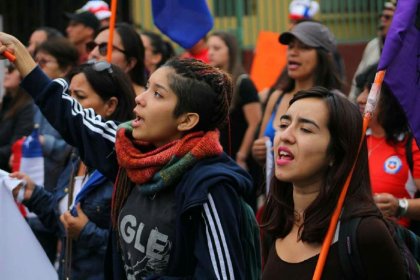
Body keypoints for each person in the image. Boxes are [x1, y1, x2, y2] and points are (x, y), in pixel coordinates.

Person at [0, 32, 259, 279]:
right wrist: (22, 58)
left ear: (187, 120)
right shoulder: (131, 152)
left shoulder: (211, 188)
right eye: (147, 87)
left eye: (158, 94)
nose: (139, 99)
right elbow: (74, 119)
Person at [261, 86, 405, 279]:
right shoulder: (274, 220)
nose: (285, 135)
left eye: (305, 129)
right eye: (284, 124)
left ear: (336, 154)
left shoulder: (366, 233)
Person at [12, 61, 136, 280]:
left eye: (80, 97)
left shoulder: (124, 164)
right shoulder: (77, 153)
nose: (71, 105)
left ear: (110, 105)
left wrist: (86, 232)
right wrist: (34, 195)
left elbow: (135, 252)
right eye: (69, 96)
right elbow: (64, 221)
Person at [252, 21, 342, 168]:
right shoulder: (277, 97)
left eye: (304, 47)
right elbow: (262, 145)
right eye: (291, 47)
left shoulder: (334, 102)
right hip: (275, 189)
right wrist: (259, 151)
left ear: (323, 55)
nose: (293, 52)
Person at [23, 37, 78, 264]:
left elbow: (74, 141)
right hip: (38, 191)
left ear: (64, 68)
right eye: (36, 61)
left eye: (44, 62)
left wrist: (43, 142)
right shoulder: (37, 99)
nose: (38, 67)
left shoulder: (68, 99)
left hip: (56, 189)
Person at [355, 64, 420, 228]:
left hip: (392, 245)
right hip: (349, 242)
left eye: (369, 91)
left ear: (392, 99)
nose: (360, 99)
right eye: (361, 91)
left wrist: (400, 206)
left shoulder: (411, 145)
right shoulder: (355, 138)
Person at [207, 31, 262, 209]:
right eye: (209, 48)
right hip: (220, 159)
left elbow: (255, 122)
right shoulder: (214, 83)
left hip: (240, 161)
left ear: (230, 51)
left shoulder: (243, 83)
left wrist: (242, 156)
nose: (210, 52)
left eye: (216, 48)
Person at [348, 1, 396, 101]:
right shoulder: (373, 46)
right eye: (381, 16)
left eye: (387, 17)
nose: (382, 20)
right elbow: (357, 82)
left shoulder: (409, 48)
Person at [87, 22, 146, 95]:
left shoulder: (146, 102)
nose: (93, 53)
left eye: (105, 48)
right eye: (92, 46)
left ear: (130, 63)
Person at [0, 62, 34, 172]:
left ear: (23, 75)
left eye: (10, 69)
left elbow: (16, 145)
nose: (6, 72)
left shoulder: (28, 107)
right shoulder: (8, 102)